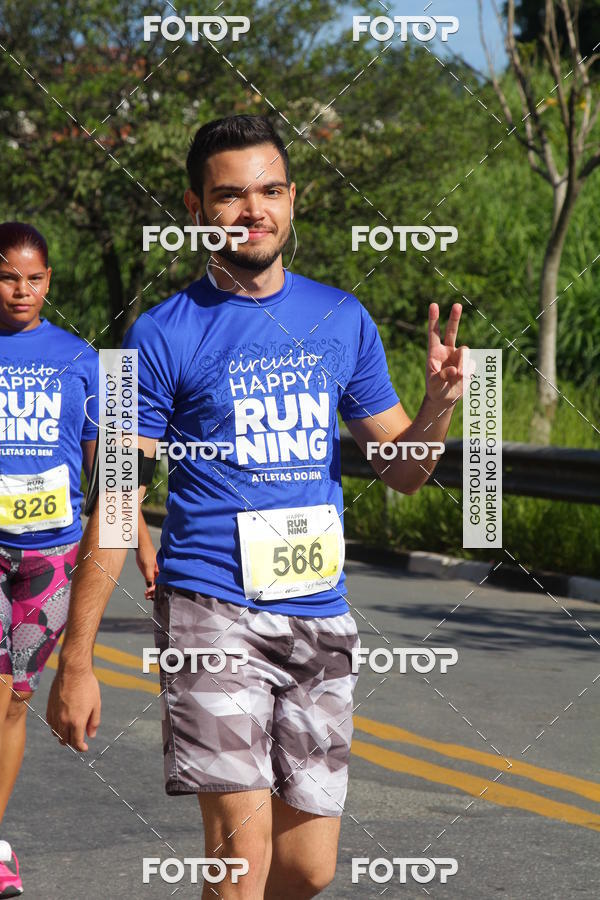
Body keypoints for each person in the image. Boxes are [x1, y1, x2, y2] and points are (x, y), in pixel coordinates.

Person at [47, 115, 470, 899]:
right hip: (212, 608)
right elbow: (114, 505)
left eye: (270, 191)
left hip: (319, 609)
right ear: (196, 207)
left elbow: (404, 473)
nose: (254, 210)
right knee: (241, 867)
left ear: (292, 199)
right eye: (232, 194)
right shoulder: (157, 334)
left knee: (306, 871)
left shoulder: (342, 317)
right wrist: (77, 659)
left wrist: (440, 406)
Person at [0, 223, 156, 898]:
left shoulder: (84, 362)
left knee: (12, 698)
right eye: (8, 277)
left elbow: (114, 477)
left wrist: (146, 551)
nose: (21, 291)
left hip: (53, 554)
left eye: (34, 279)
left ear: (50, 282)